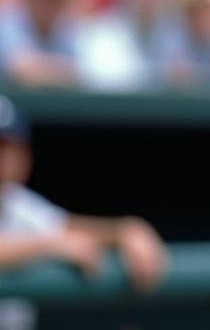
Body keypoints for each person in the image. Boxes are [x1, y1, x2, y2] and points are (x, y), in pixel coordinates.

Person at [0, 94, 167, 330]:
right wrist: (49, 245)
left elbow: (67, 226)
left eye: (7, 147)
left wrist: (125, 229)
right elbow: (55, 238)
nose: (3, 158)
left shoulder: (16, 203)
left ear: (25, 157)